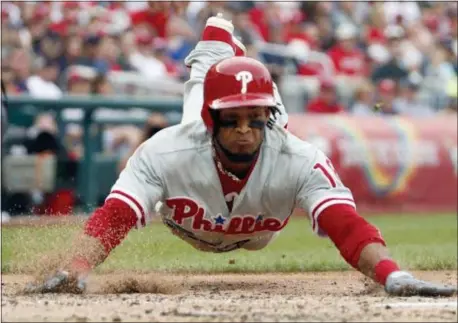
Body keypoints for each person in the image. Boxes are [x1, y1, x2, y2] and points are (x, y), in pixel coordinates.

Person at [27, 14, 456, 297]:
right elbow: (115, 216)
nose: (246, 130)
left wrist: (391, 274)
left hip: (257, 231)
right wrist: (76, 266)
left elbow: (345, 225)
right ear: (213, 121)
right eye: (232, 120)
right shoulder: (168, 147)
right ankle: (218, 35)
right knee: (205, 77)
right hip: (190, 212)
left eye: (256, 118)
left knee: (256, 113)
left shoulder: (297, 155)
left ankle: (225, 45)